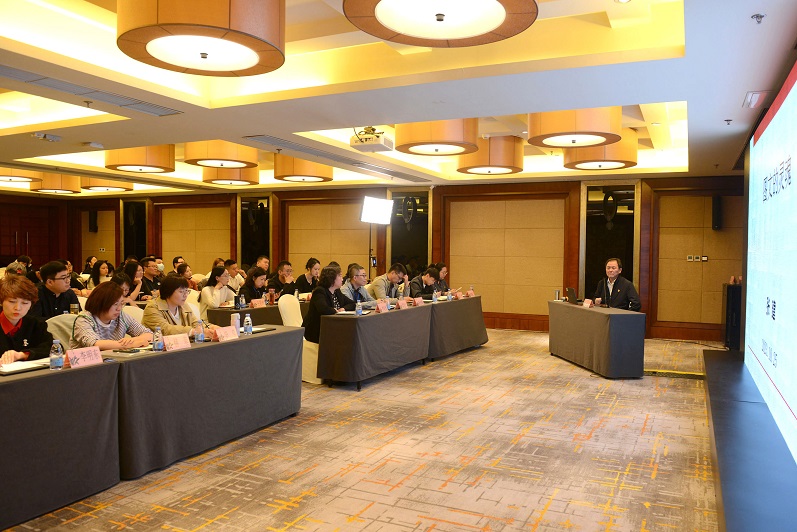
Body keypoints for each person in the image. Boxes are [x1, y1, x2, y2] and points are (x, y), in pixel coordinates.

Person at [71, 281, 152, 350]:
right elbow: (95, 344)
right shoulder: (84, 319)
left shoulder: (121, 316)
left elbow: (150, 335)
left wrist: (133, 340)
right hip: (86, 362)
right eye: (115, 304)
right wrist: (131, 344)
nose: (119, 308)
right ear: (101, 303)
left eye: (121, 303)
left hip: (114, 360)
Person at [0, 275, 53, 365]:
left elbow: (52, 347)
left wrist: (22, 355)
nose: (18, 308)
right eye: (12, 301)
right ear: (1, 302)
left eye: (25, 303)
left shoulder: (35, 324)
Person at [142, 275, 215, 338]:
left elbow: (195, 323)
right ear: (168, 291)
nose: (185, 295)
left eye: (187, 291)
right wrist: (192, 331)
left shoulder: (183, 305)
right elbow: (165, 330)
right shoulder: (152, 308)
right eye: (181, 291)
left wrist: (210, 327)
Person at [301, 265, 355, 343]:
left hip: (332, 327)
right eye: (340, 276)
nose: (342, 279)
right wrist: (336, 311)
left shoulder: (337, 291)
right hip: (317, 330)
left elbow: (352, 304)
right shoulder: (319, 291)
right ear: (331, 278)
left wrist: (343, 309)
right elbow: (323, 309)